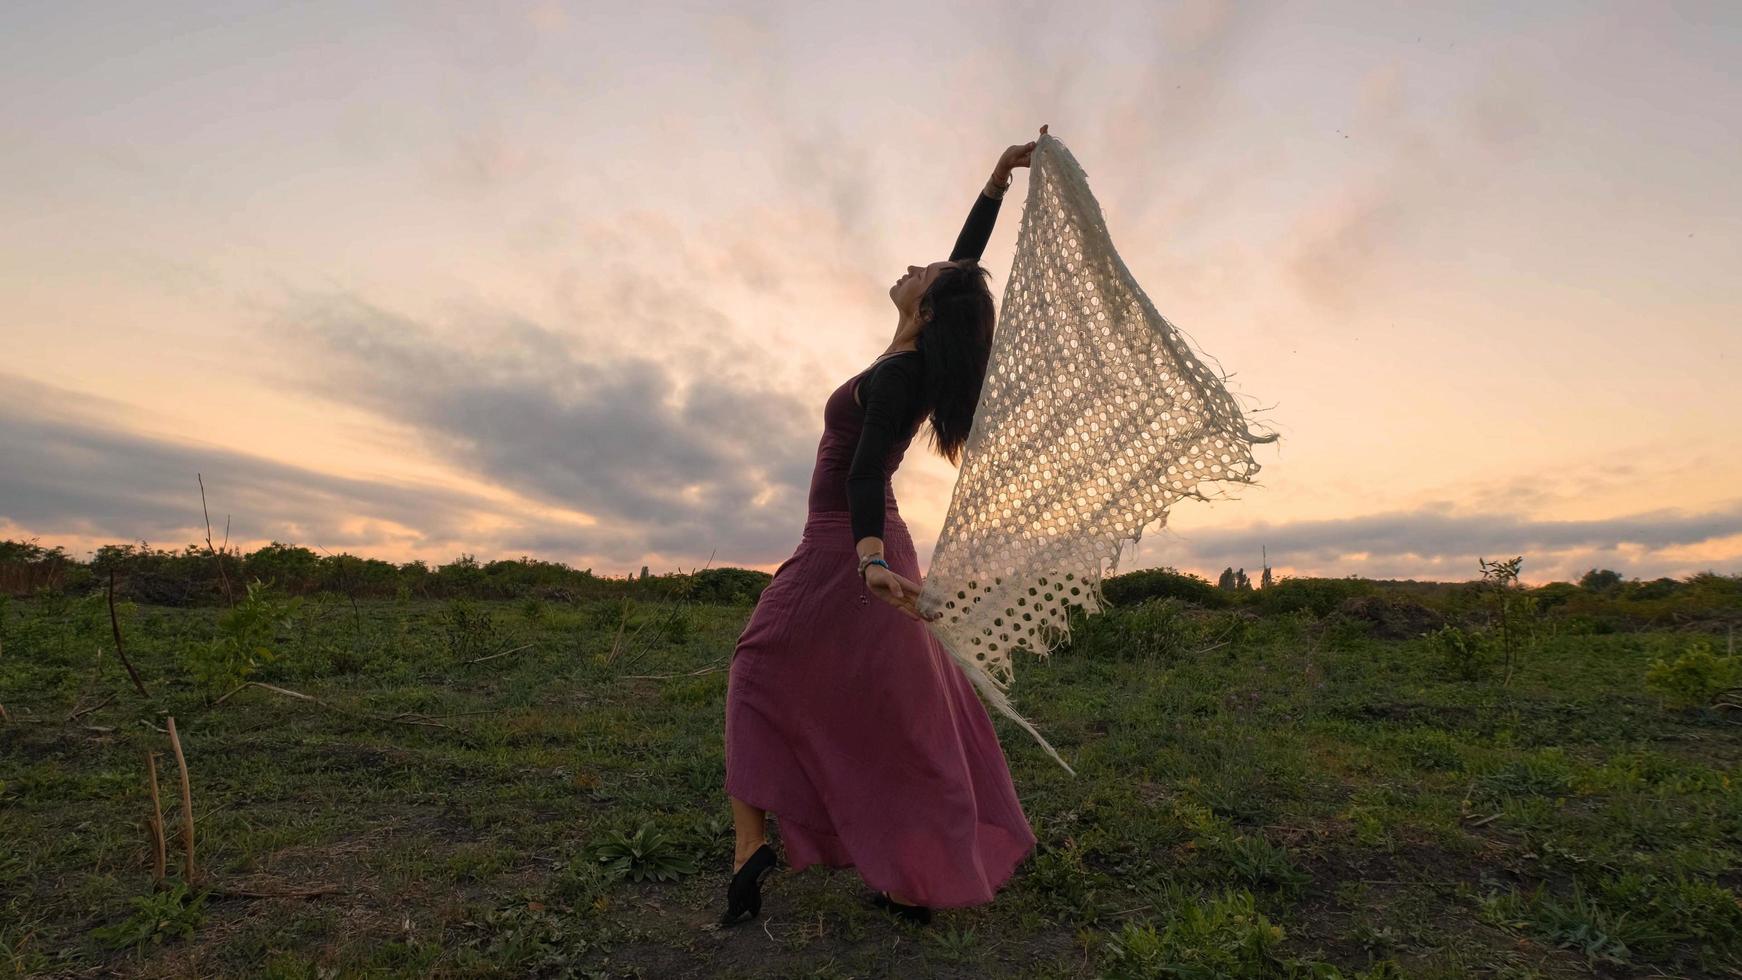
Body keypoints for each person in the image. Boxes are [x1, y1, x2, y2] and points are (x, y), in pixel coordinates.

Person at [721, 125, 1049, 928]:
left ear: (926, 306)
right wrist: (997, 181)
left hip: (849, 545)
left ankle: (755, 850)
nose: (912, 266)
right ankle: (903, 875)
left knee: (759, 669)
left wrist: (867, 559)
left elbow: (865, 473)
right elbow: (964, 266)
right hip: (851, 544)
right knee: (890, 707)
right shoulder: (908, 355)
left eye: (923, 274)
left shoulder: (901, 375)